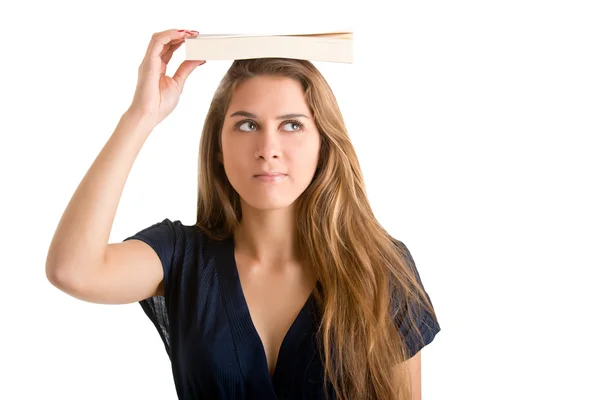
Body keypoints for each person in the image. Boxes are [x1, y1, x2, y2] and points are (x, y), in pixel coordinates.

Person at [46, 28, 441, 400]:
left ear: (323, 145)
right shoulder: (181, 256)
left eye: (291, 125)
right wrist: (141, 116)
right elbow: (73, 270)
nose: (268, 148)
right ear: (218, 146)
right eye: (247, 124)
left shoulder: (380, 267)